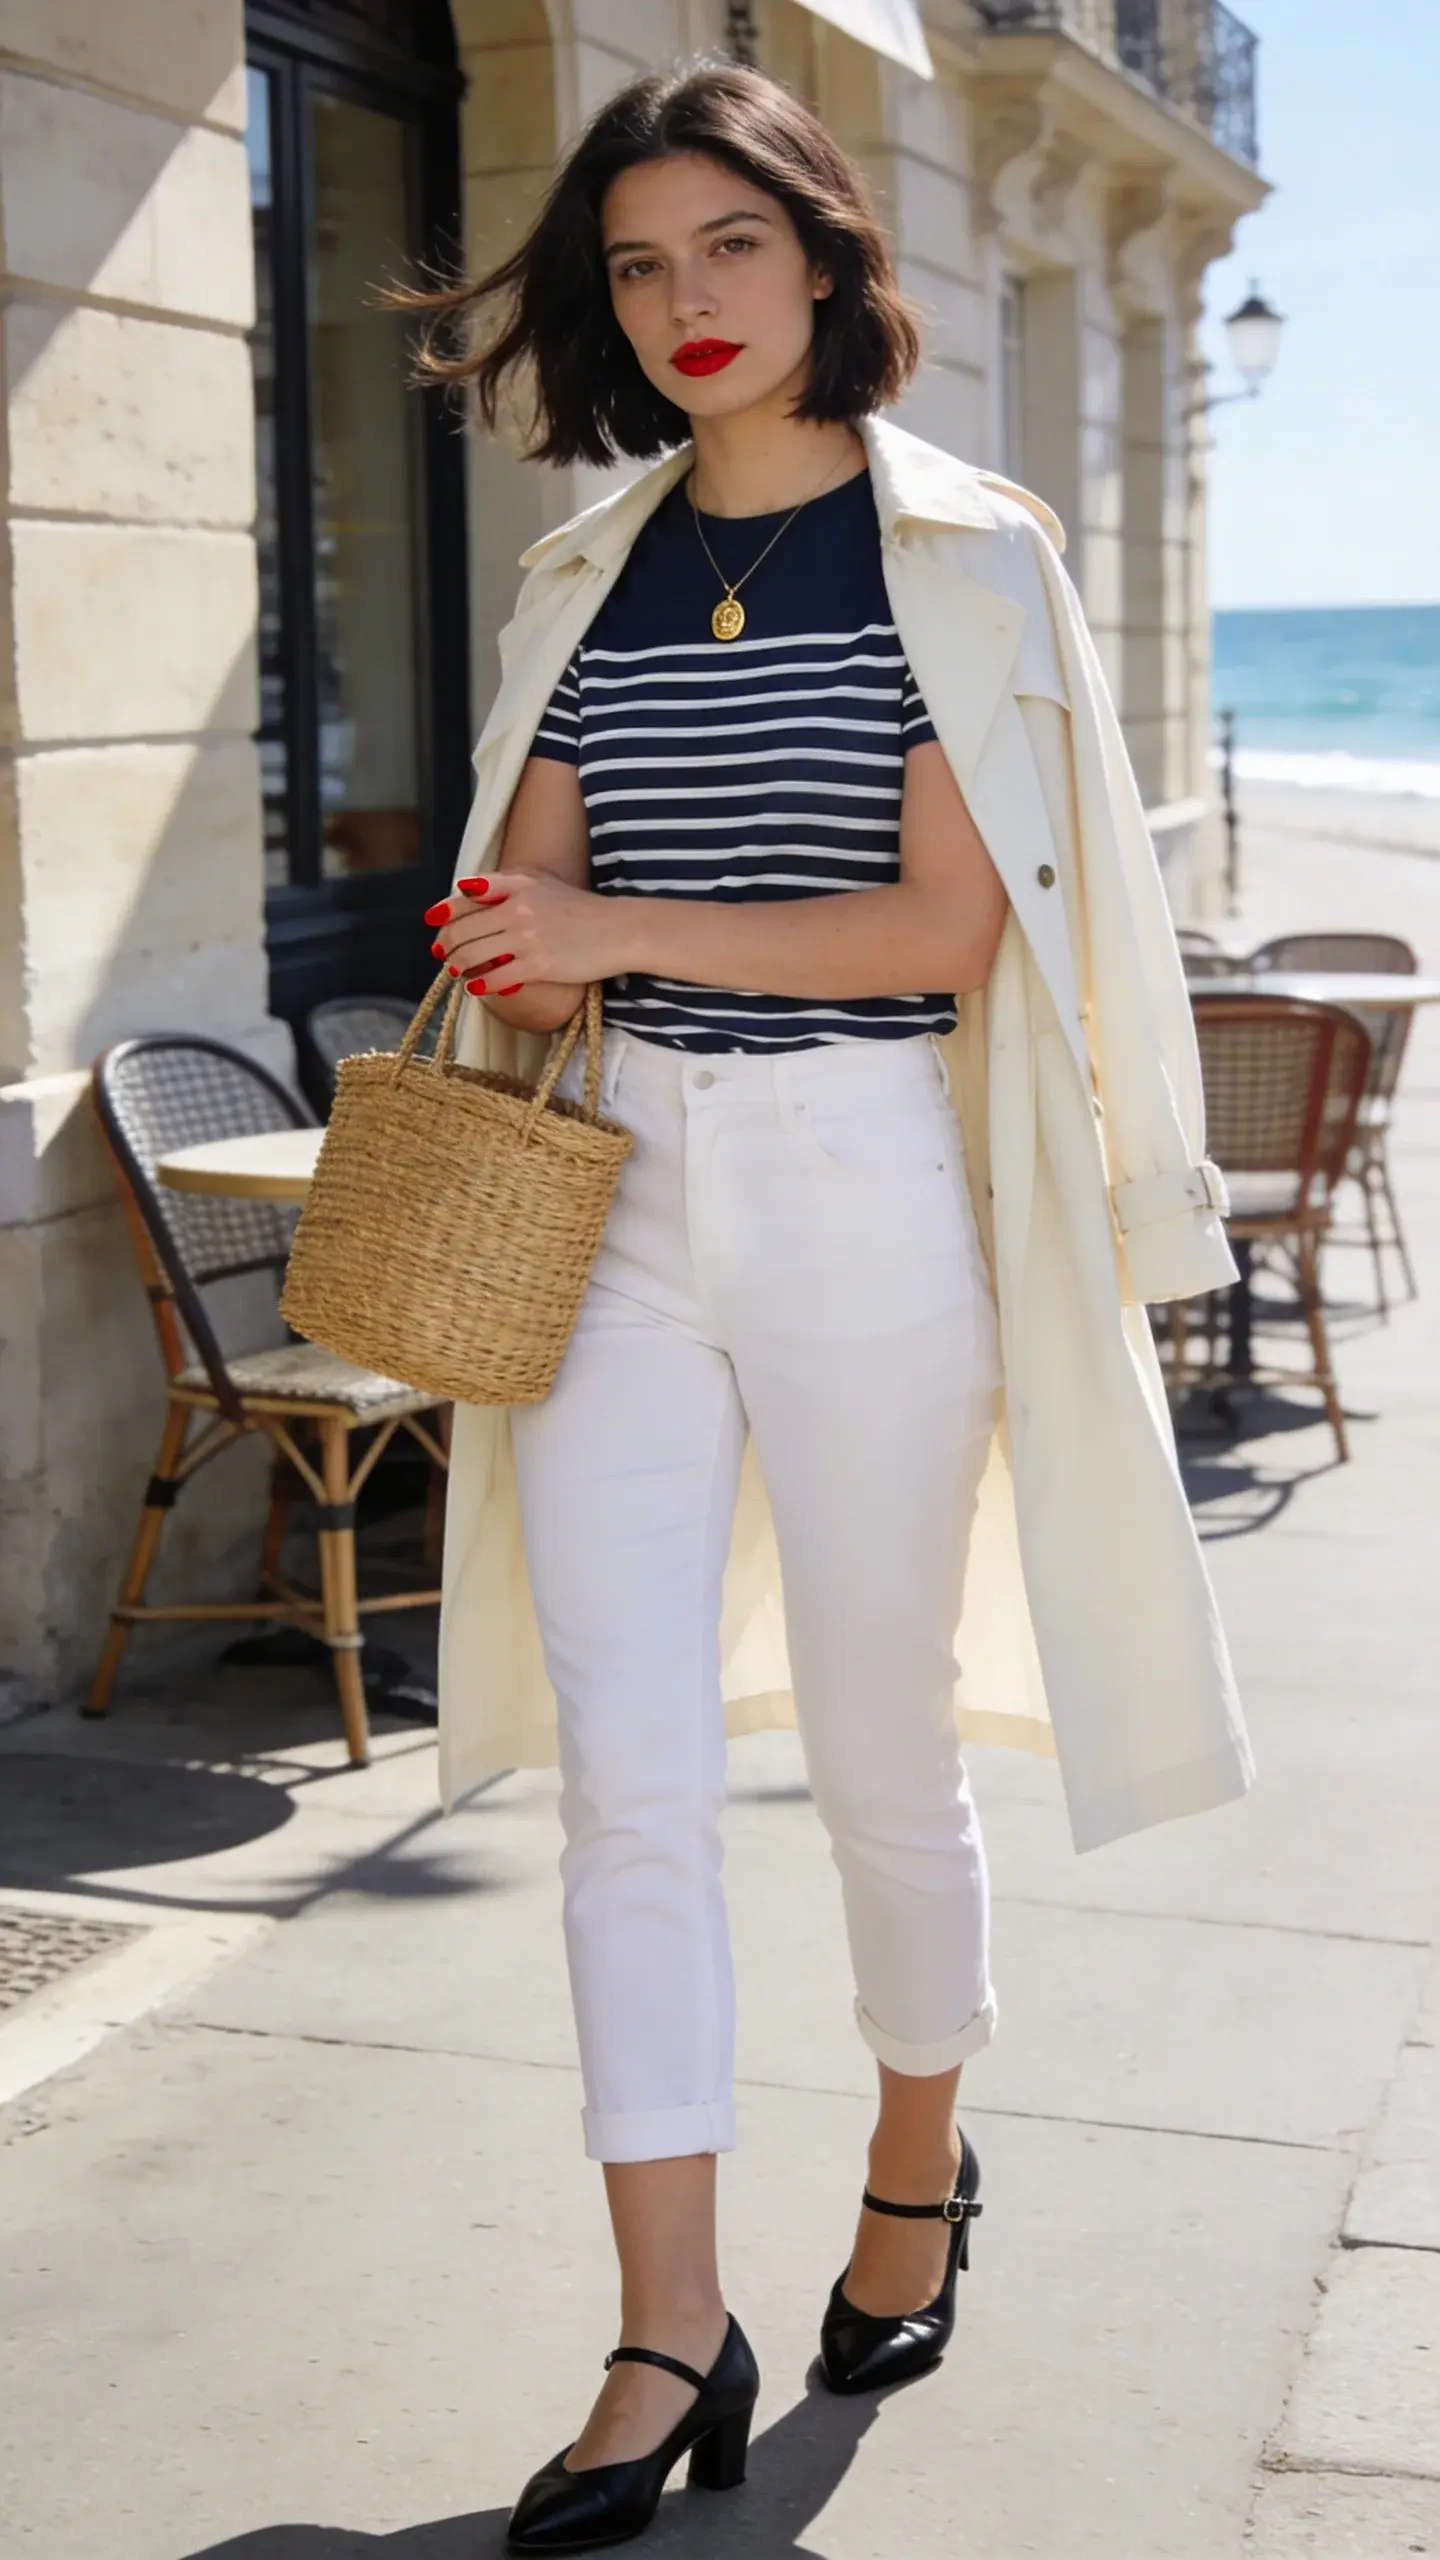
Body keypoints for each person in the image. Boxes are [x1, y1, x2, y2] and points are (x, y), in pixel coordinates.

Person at [412, 59, 1254, 2555]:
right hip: (617, 1197)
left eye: (729, 252)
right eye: (640, 265)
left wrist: (609, 927)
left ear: (823, 261)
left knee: (887, 1745)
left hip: (881, 1174)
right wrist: (530, 957)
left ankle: (916, 2168)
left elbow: (933, 931)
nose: (686, 305)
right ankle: (663, 2322)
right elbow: (525, 901)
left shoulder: (972, 555)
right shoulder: (584, 571)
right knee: (627, 1772)